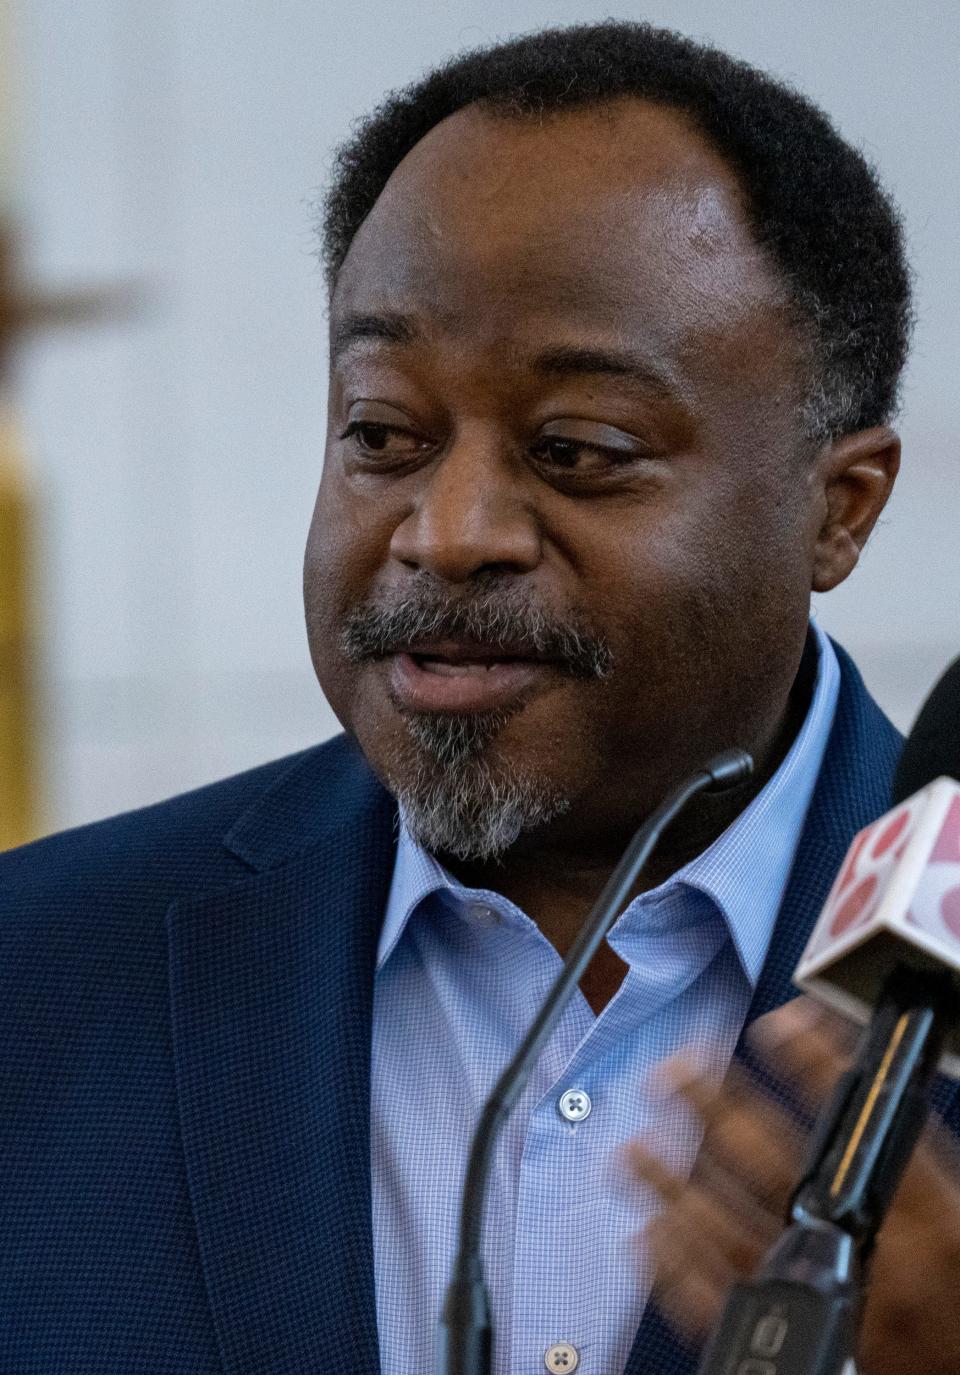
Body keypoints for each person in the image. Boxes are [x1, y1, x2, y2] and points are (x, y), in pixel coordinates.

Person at [2, 19, 956, 1375]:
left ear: (839, 510)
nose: (445, 532)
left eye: (579, 449)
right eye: (384, 436)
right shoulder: (33, 979)